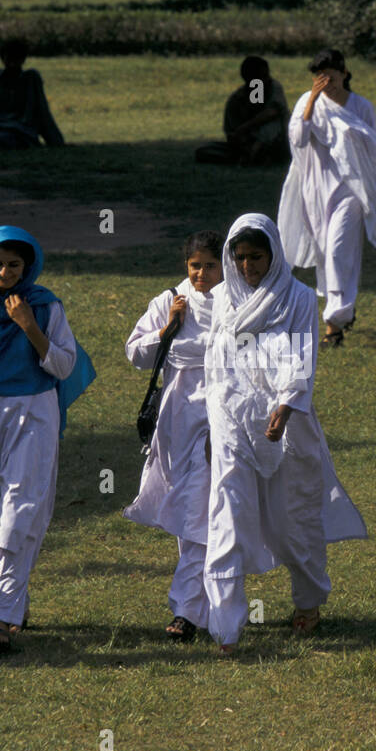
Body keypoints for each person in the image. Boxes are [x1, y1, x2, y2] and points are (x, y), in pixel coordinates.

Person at [203, 213, 366, 654]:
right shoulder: (222, 298)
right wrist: (210, 421)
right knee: (227, 515)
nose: (248, 267)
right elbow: (215, 363)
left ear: (273, 254)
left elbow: (301, 355)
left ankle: (308, 600)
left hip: (286, 423)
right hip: (231, 418)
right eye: (240, 258)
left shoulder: (295, 297)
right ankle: (226, 626)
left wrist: (286, 403)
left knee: (291, 519)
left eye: (257, 257)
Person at [0, 226, 96, 653]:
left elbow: (64, 366)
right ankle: (9, 599)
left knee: (19, 509)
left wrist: (29, 326)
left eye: (14, 265)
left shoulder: (45, 306)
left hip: (32, 410)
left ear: (28, 267)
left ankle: (2, 616)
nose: (5, 271)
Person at [124, 231, 224, 642]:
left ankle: (186, 608)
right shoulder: (170, 300)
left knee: (201, 503)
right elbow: (135, 353)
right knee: (188, 505)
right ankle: (206, 600)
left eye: (210, 265)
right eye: (195, 265)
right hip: (175, 417)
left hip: (219, 412)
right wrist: (167, 328)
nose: (201, 274)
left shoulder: (238, 305)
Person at [278, 48, 376, 347]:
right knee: (326, 252)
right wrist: (310, 100)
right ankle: (344, 309)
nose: (327, 83)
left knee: (337, 249)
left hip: (353, 189)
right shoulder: (308, 103)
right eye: (320, 78)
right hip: (316, 189)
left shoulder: (361, 107)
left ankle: (334, 324)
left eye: (331, 77)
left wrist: (353, 138)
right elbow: (298, 138)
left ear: (344, 74)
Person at [195, 56, 290, 167]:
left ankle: (255, 154)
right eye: (260, 78)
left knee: (272, 126)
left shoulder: (274, 88)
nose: (266, 80)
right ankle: (253, 155)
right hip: (247, 144)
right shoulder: (236, 100)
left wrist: (245, 128)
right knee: (203, 150)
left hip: (277, 141)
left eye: (266, 76)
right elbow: (232, 134)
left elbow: (271, 113)